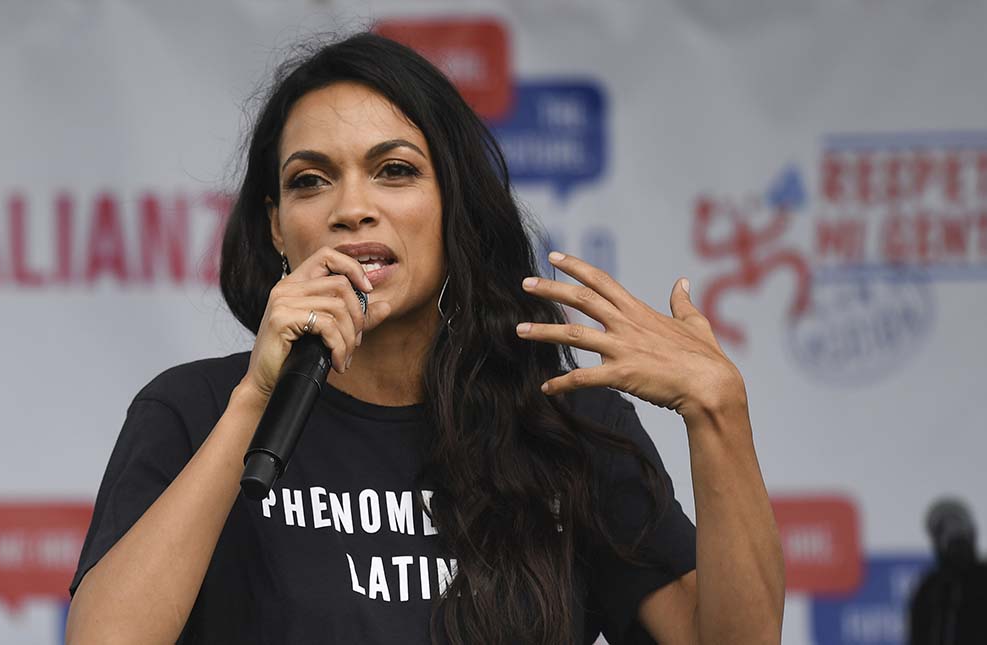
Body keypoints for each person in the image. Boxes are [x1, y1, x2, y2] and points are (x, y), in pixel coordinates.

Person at [65, 32, 784, 645]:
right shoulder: (192, 409)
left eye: (394, 171)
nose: (352, 208)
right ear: (277, 227)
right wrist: (256, 398)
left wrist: (719, 413)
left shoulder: (566, 424)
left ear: (454, 210)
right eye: (311, 181)